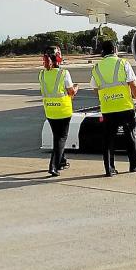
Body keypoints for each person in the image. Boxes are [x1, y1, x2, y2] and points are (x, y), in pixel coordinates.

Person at [90, 40, 136, 177]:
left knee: (108, 140)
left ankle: (109, 169)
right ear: (115, 49)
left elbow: (95, 88)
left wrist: (104, 98)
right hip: (124, 106)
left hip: (107, 108)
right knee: (130, 136)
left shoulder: (96, 67)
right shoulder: (123, 63)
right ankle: (134, 164)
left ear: (102, 52)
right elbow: (133, 85)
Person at [39, 46, 79, 177]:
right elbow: (71, 92)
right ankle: (53, 166)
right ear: (58, 58)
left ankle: (62, 161)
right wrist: (76, 88)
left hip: (50, 110)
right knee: (61, 138)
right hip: (63, 111)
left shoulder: (42, 74)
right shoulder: (63, 73)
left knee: (57, 137)